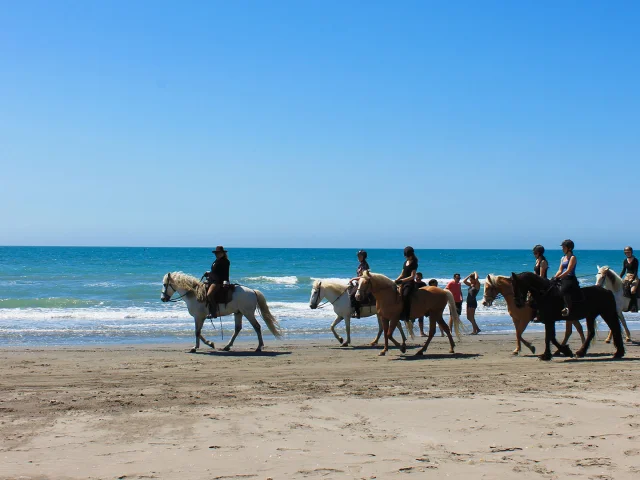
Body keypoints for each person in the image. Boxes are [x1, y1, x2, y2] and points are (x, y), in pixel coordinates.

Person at [552, 239, 579, 317]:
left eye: (564, 247)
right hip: (562, 277)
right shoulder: (563, 258)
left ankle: (567, 308)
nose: (562, 249)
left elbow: (568, 270)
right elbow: (560, 270)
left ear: (569, 248)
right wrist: (554, 277)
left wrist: (559, 277)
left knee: (564, 289)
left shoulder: (573, 257)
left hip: (570, 278)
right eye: (562, 247)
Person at [205, 246, 231, 317]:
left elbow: (221, 273)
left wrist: (210, 274)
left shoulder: (225, 261)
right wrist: (209, 273)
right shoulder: (216, 261)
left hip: (219, 281)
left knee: (209, 294)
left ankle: (214, 312)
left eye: (219, 253)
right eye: (216, 253)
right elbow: (215, 271)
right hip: (213, 280)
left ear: (223, 253)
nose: (217, 254)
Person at [395, 246, 418, 320]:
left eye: (407, 256)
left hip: (409, 283)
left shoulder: (414, 263)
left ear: (411, 255)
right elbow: (402, 274)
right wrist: (396, 280)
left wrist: (402, 281)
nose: (406, 257)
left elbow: (412, 276)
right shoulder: (405, 262)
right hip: (403, 282)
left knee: (405, 295)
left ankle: (407, 315)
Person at [349, 250, 370, 318]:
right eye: (358, 256)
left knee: (353, 294)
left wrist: (353, 279)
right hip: (358, 282)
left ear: (363, 257)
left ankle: (357, 312)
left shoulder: (365, 265)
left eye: (360, 256)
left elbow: (364, 276)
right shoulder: (360, 265)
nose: (358, 257)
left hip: (363, 283)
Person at [621, 246, 639, 312]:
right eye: (626, 252)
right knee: (621, 288)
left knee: (632, 291)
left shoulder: (635, 260)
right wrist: (619, 277)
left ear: (631, 252)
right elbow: (623, 270)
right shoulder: (625, 261)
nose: (627, 253)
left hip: (634, 277)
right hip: (627, 276)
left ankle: (634, 307)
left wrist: (632, 279)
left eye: (629, 252)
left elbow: (635, 271)